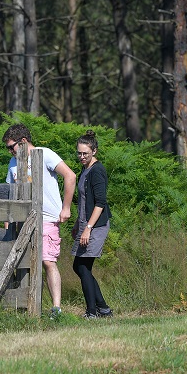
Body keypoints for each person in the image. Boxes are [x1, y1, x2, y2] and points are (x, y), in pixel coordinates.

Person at [2, 123, 76, 318]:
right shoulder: (13, 163)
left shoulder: (45, 154)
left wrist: (66, 208)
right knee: (22, 262)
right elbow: (11, 193)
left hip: (47, 217)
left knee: (47, 261)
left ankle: (56, 309)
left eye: (12, 147)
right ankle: (26, 306)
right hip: (22, 219)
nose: (10, 151)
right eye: (8, 148)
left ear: (24, 141)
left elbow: (70, 176)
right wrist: (8, 220)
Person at [70, 130, 113, 319]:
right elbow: (83, 201)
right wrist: (77, 225)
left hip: (95, 226)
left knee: (82, 266)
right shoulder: (85, 169)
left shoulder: (97, 170)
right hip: (85, 224)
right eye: (79, 153)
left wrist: (88, 228)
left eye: (85, 153)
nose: (81, 156)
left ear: (94, 151)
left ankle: (92, 311)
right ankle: (102, 308)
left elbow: (100, 203)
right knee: (80, 266)